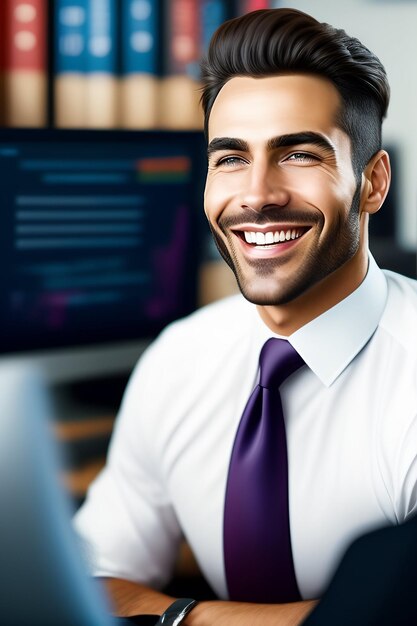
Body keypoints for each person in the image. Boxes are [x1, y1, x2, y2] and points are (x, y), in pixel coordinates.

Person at [74, 8, 417, 626]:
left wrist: (174, 616)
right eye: (230, 158)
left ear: (372, 183)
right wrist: (200, 617)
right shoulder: (179, 357)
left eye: (299, 154)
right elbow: (89, 580)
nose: (257, 194)